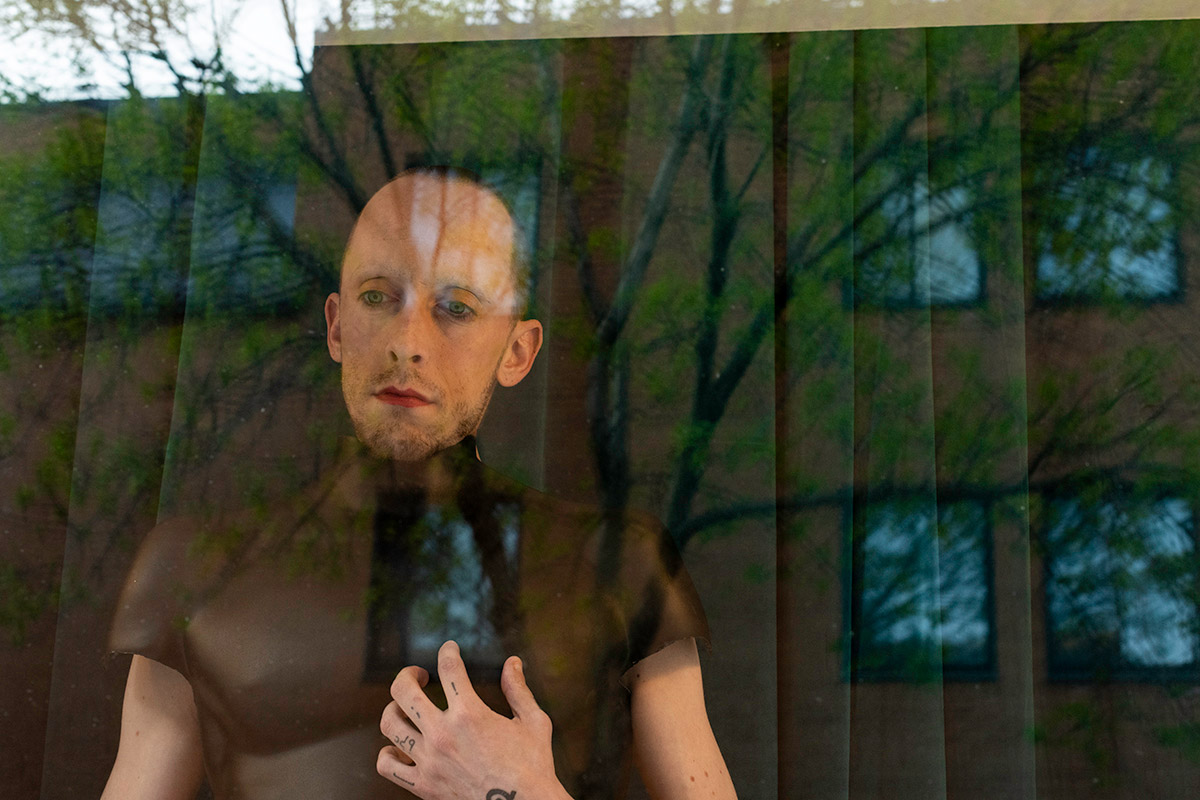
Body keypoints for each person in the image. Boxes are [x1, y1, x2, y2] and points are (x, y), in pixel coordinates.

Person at [103, 168, 737, 800]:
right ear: (336, 325)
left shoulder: (619, 567)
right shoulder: (194, 568)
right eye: (378, 297)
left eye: (456, 308)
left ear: (517, 351)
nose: (408, 342)